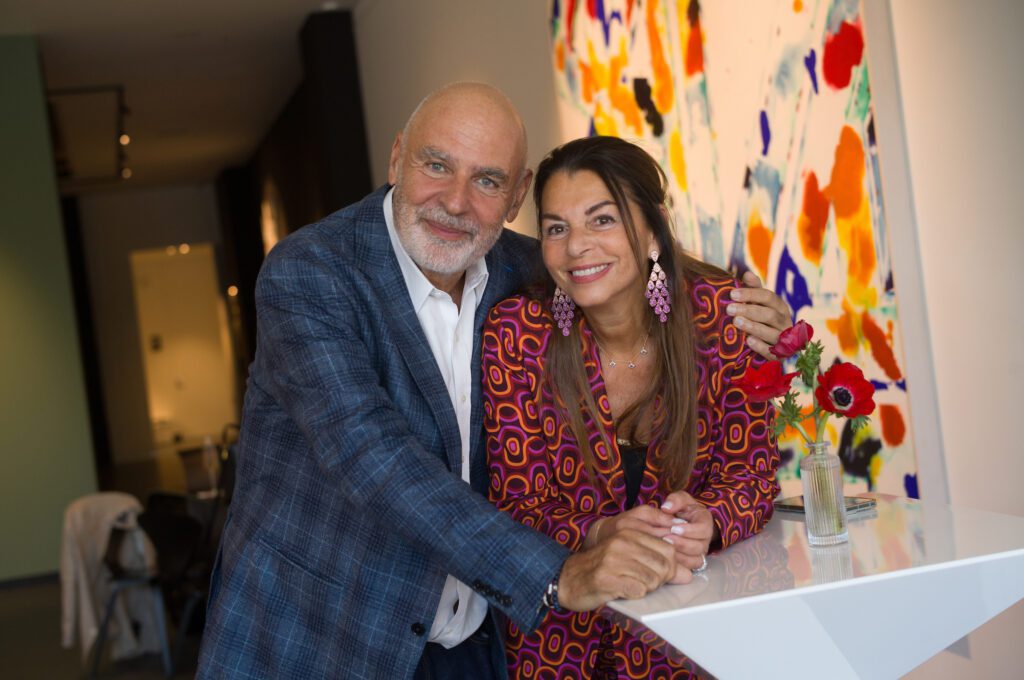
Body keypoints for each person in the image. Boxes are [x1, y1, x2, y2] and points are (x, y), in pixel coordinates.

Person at [198, 83, 789, 680]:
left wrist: (756, 313)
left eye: (486, 180)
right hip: (323, 636)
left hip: (481, 642)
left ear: (515, 195)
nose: (455, 203)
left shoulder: (523, 268)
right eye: (436, 165)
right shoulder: (312, 273)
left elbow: (623, 266)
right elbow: (371, 457)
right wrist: (558, 575)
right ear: (396, 157)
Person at [482, 136, 781, 678]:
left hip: (692, 639)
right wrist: (601, 534)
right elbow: (516, 504)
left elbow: (753, 474)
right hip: (558, 647)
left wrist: (710, 520)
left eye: (602, 220)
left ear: (652, 230)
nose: (576, 247)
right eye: (556, 228)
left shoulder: (724, 318)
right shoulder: (517, 335)